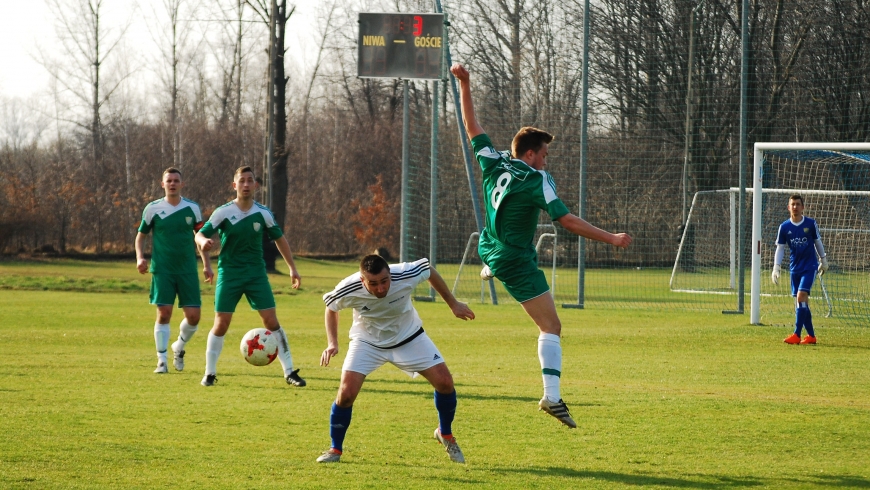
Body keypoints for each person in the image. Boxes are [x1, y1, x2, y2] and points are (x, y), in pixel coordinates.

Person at [450, 63, 632, 429]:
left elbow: (472, 125)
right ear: (531, 153)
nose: (547, 160)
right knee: (552, 328)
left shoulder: (494, 160)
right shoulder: (538, 179)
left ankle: (490, 264)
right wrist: (611, 237)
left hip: (488, 243)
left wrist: (465, 83)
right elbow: (565, 221)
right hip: (514, 259)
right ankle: (551, 397)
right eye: (545, 153)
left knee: (496, 249)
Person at [316, 254, 475, 464]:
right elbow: (331, 308)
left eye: (384, 281)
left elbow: (429, 270)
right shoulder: (348, 288)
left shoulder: (405, 273)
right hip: (367, 342)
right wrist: (332, 343)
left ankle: (445, 434)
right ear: (362, 281)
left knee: (445, 383)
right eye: (373, 284)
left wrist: (453, 303)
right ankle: (335, 450)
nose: (381, 288)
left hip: (410, 338)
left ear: (390, 274)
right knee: (345, 394)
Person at [194, 166, 305, 387]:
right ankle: (209, 373)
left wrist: (292, 267)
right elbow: (200, 234)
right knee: (221, 323)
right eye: (241, 181)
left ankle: (290, 372)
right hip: (230, 274)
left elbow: (280, 240)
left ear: (256, 185)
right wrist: (203, 244)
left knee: (271, 321)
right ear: (234, 186)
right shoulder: (223, 212)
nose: (246, 185)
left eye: (250, 181)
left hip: (256, 274)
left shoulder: (263, 213)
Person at [135, 167, 210, 374]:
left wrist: (207, 265)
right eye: (169, 180)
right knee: (164, 313)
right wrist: (140, 257)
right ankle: (161, 360)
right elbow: (141, 236)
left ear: (182, 184)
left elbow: (200, 237)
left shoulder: (192, 209)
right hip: (163, 270)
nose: (173, 183)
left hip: (187, 270)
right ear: (163, 184)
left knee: (194, 316)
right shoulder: (153, 208)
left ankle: (179, 346)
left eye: (176, 180)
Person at [771, 194, 828, 345]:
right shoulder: (784, 227)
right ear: (788, 207)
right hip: (794, 268)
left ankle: (796, 334)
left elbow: (817, 241)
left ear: (803, 207)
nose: (795, 207)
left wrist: (824, 260)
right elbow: (780, 248)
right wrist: (776, 267)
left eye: (798, 204)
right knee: (801, 303)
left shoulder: (810, 223)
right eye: (793, 204)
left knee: (801, 296)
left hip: (810, 266)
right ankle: (811, 336)